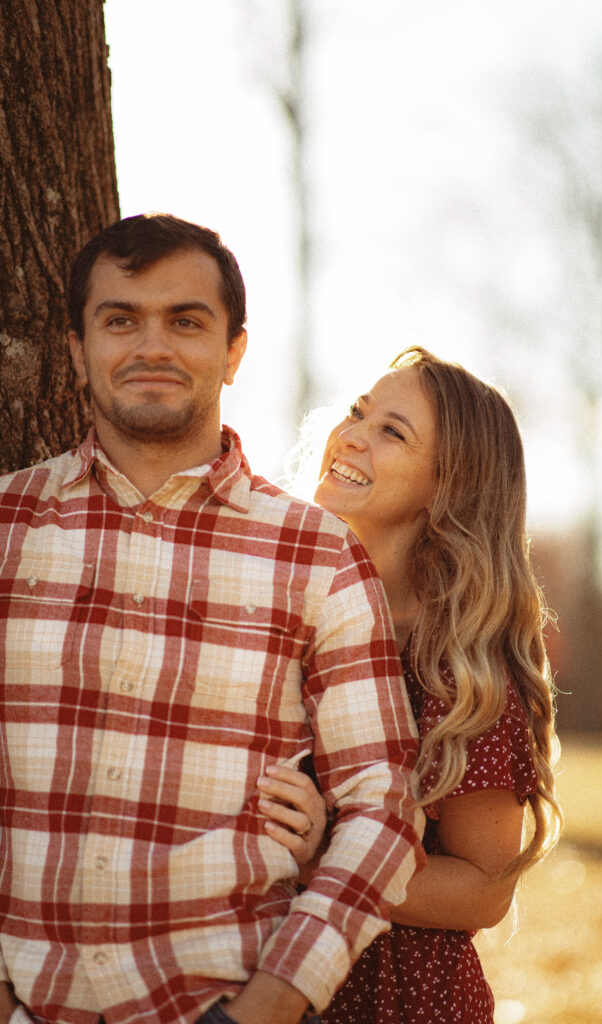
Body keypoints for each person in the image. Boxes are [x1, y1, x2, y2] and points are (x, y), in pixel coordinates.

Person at [0, 214, 426, 1024]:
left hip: (222, 1000)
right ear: (76, 351)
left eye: (186, 321)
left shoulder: (316, 554)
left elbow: (382, 805)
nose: (152, 346)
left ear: (233, 351)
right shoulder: (7, 527)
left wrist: (270, 1003)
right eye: (120, 319)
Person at [258, 346, 563, 1023]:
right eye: (357, 412)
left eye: (391, 431)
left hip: (390, 996)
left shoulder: (459, 669)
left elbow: (483, 892)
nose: (351, 434)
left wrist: (323, 864)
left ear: (448, 485)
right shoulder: (281, 607)